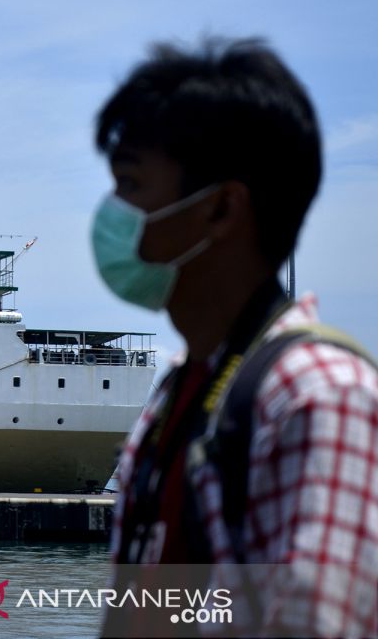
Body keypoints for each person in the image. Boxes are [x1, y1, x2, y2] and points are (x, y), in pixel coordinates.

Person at [91, 38, 378, 636]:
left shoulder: (318, 396)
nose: (112, 212)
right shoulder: (175, 391)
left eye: (131, 184)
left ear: (220, 209)